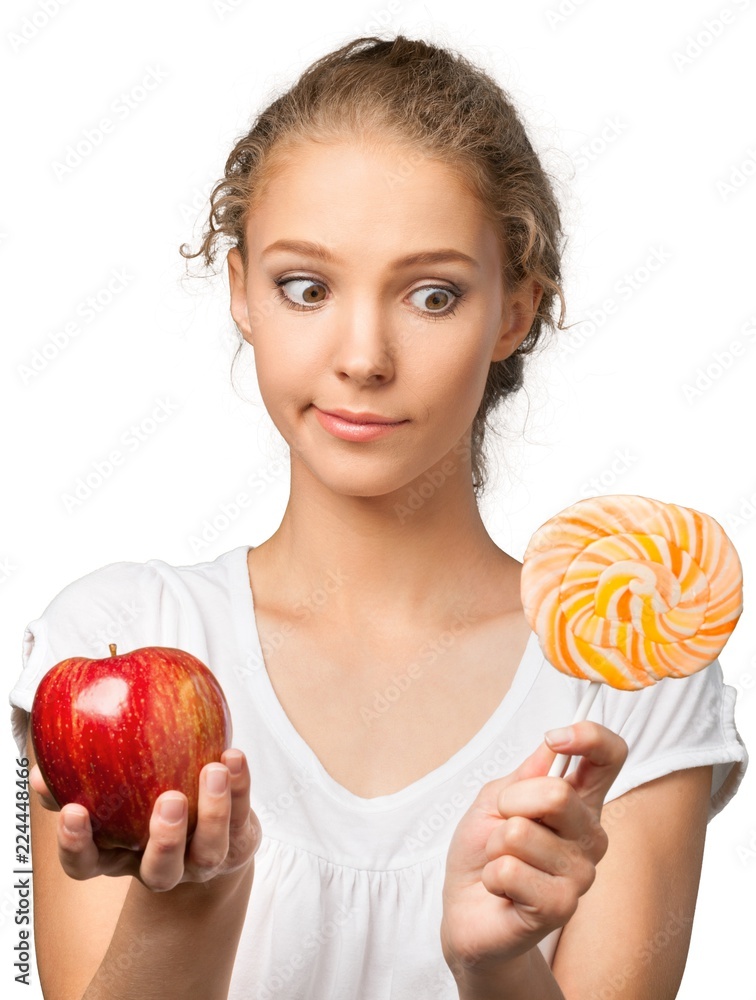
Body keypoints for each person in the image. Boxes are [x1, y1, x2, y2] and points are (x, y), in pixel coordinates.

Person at [10, 34, 747, 1000]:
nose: (363, 355)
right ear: (241, 291)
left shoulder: (629, 678)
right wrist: (192, 899)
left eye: (432, 295)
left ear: (515, 312)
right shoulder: (109, 638)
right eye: (305, 287)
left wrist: (498, 963)